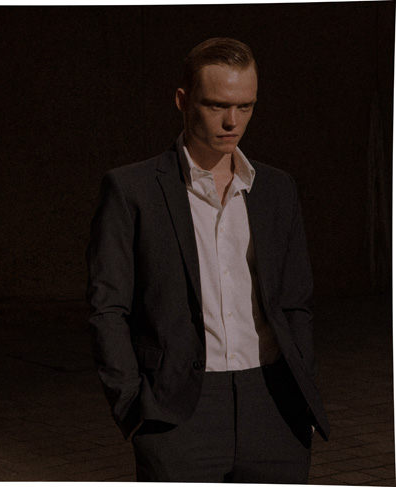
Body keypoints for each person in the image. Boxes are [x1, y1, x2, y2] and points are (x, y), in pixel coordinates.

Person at [86, 38, 330, 483]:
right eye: (217, 105)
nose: (232, 121)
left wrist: (304, 389)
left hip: (274, 404)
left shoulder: (276, 189)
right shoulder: (132, 190)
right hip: (178, 412)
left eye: (245, 106)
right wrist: (133, 407)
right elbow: (108, 308)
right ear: (183, 100)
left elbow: (295, 303)